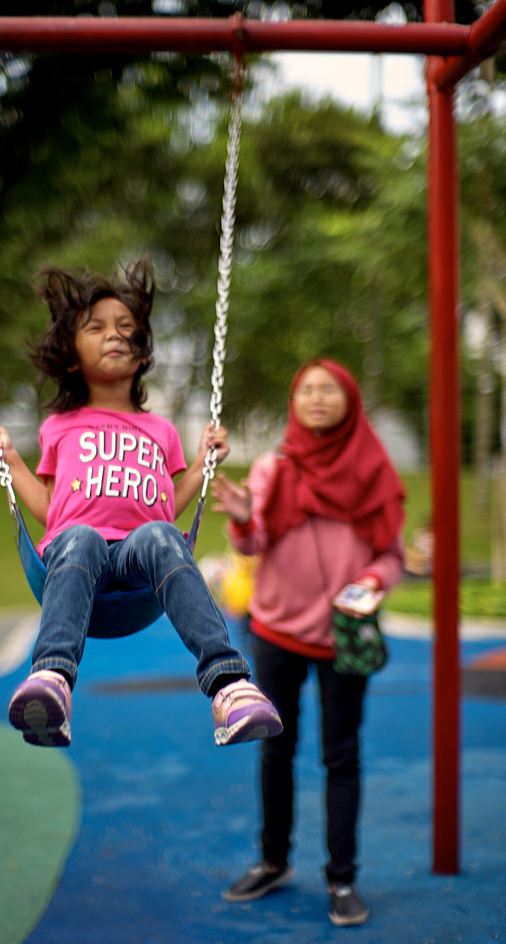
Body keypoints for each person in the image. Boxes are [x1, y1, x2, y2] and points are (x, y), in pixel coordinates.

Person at [0, 258, 282, 751]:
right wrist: (11, 463)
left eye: (126, 328)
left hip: (140, 562)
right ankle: (52, 680)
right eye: (96, 328)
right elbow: (54, 507)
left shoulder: (160, 430)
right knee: (79, 534)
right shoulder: (60, 425)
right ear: (73, 357)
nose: (115, 336)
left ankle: (230, 686)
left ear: (142, 355)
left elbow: (169, 505)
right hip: (78, 556)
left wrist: (204, 462)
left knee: (163, 535)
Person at [211, 358, 405, 927]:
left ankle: (342, 879)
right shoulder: (275, 467)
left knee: (340, 757)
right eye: (306, 390)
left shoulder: (375, 470)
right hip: (275, 631)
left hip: (344, 637)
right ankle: (273, 861)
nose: (317, 398)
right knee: (276, 748)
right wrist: (245, 518)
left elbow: (390, 557)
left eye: (329, 389)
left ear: (350, 400)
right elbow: (252, 544)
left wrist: (370, 582)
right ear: (294, 403)